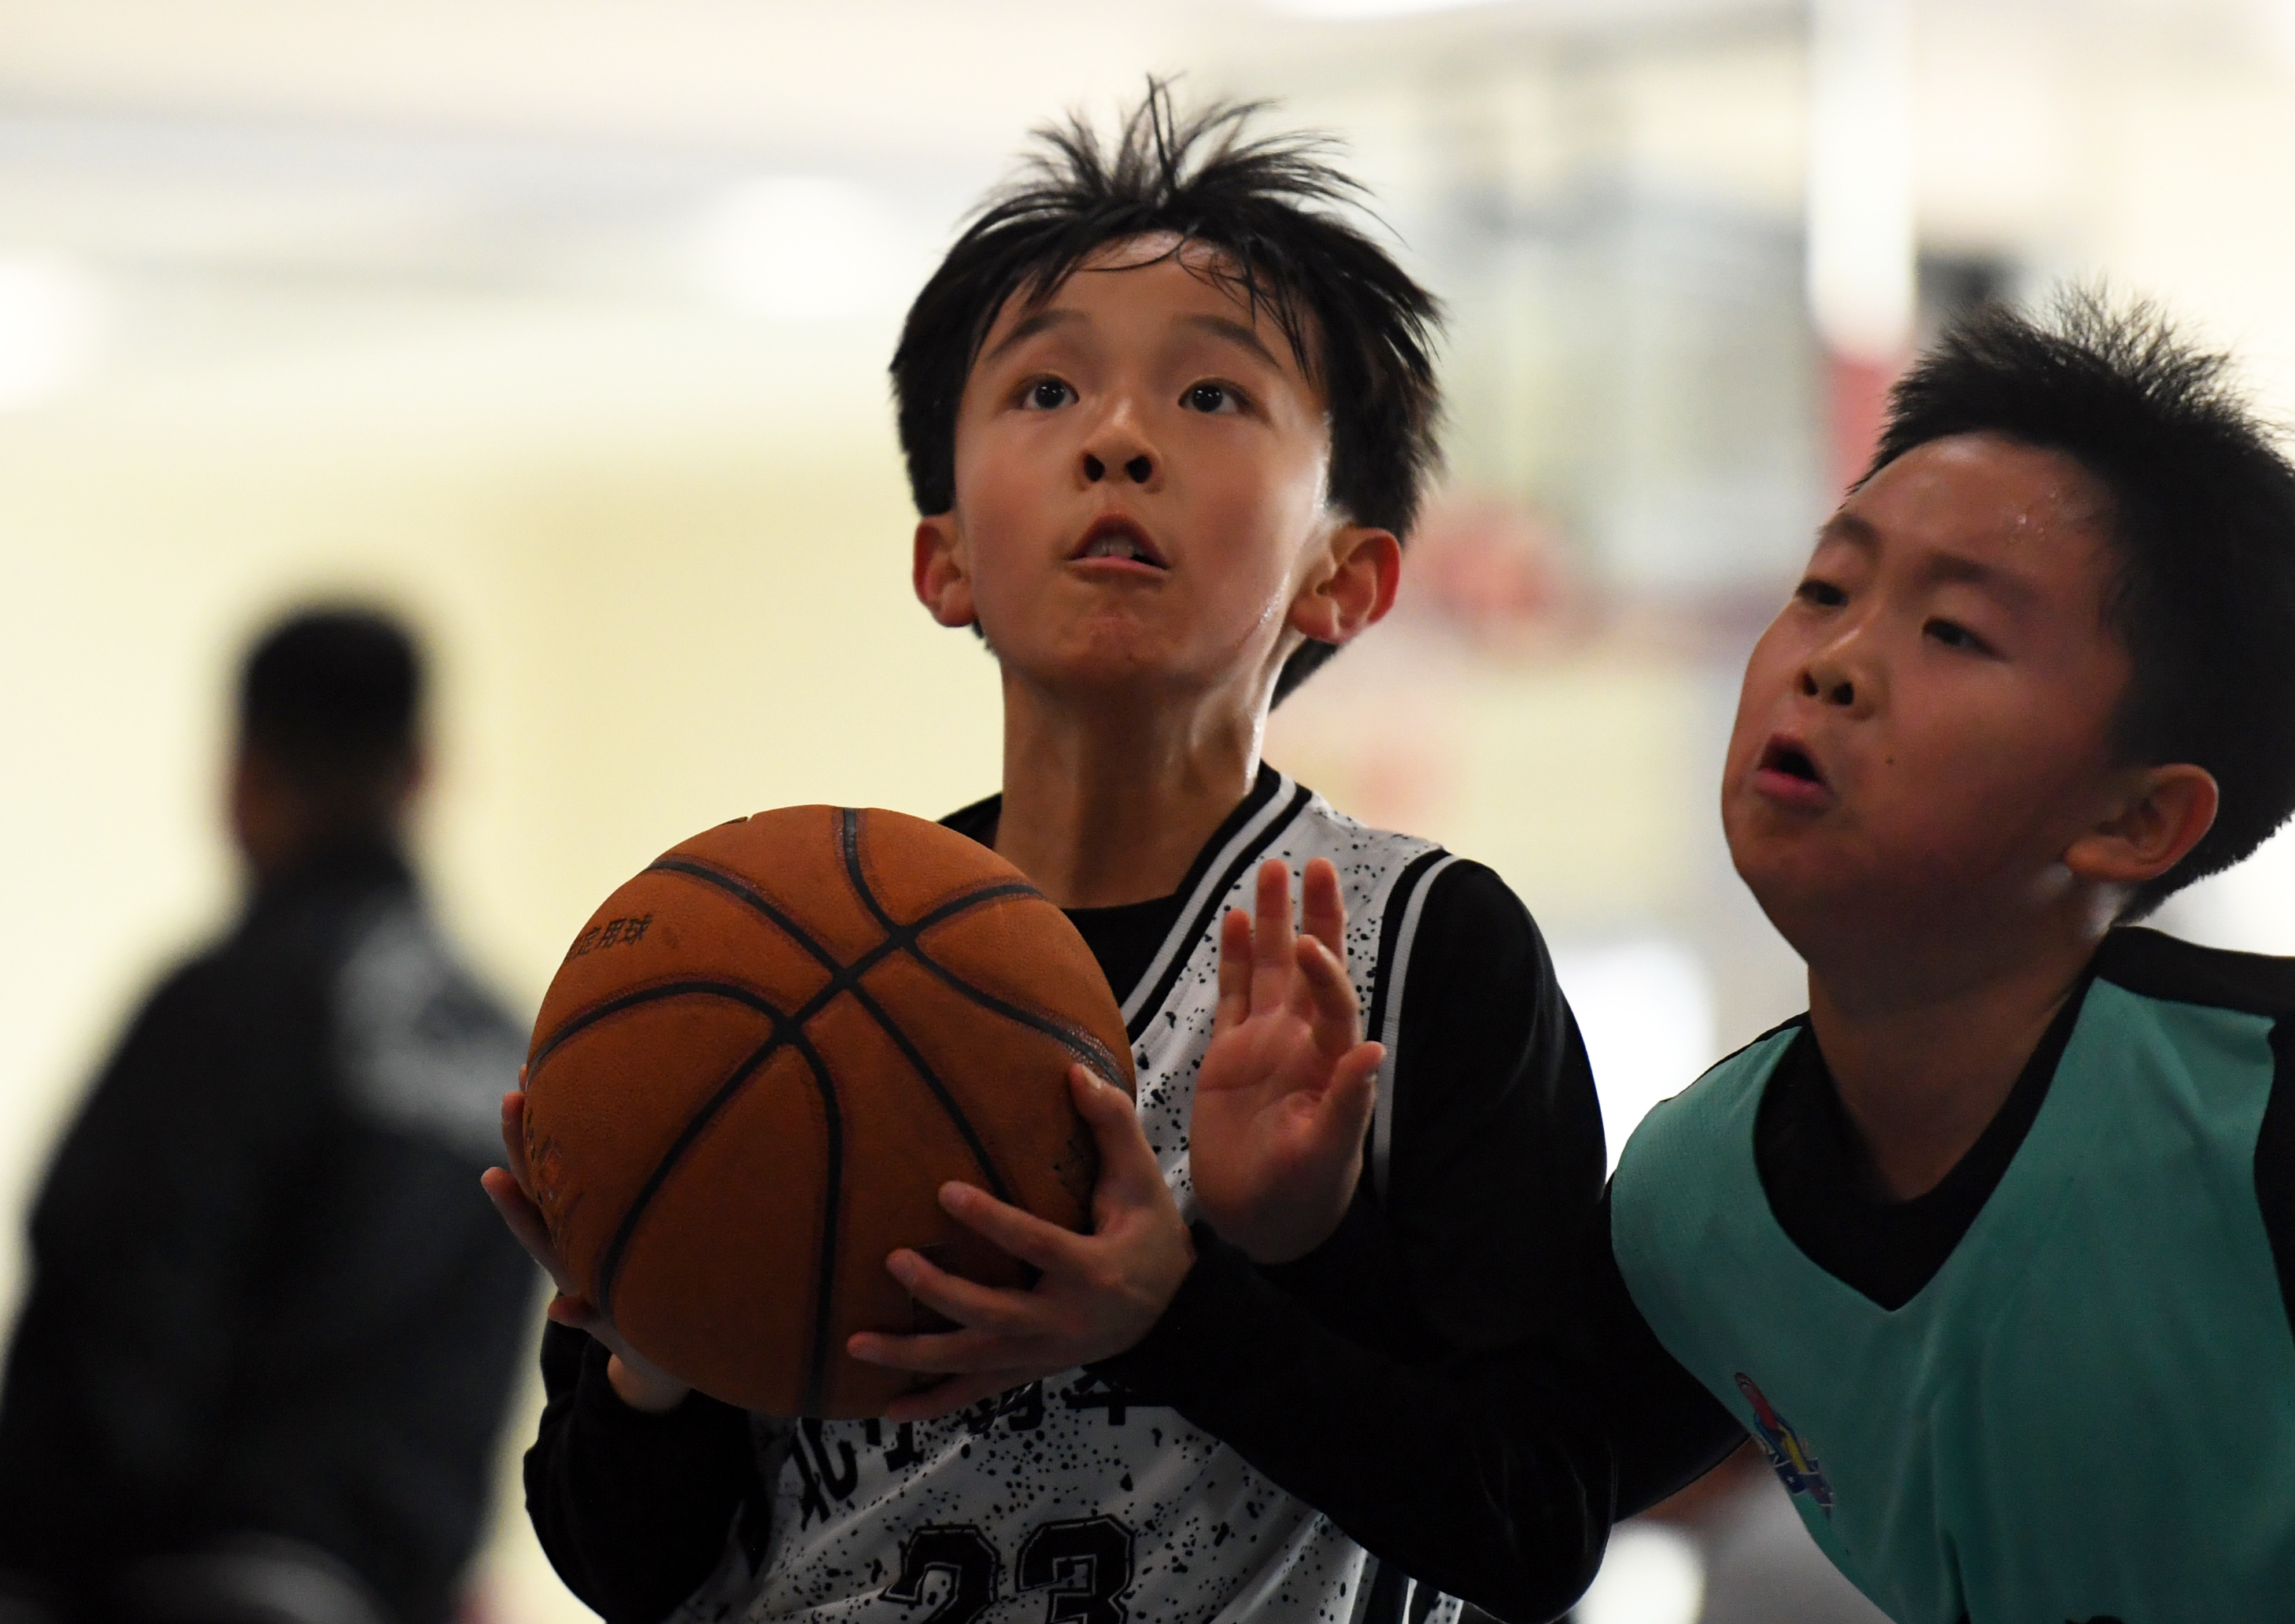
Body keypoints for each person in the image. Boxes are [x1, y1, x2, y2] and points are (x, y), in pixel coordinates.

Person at [852, 293, 2295, 1623]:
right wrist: (1299, 1240)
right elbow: (1511, 1499)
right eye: (1826, 590)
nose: (1833, 661)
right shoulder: (1702, 1202)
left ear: (2139, 816)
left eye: (1955, 629)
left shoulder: (2250, 1119)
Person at [487, 86, 1607, 1624]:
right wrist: (655, 1345)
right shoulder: (746, 965)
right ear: (945, 553)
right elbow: (627, 1571)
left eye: (1213, 397)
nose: (1122, 441)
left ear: (1346, 576)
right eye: (1045, 394)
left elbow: (1535, 1524)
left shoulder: (1423, 947)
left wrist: (1199, 1306)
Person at [0, 608, 541, 1624]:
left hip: (181, 1591)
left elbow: (103, 1321)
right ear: (423, 772)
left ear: (239, 778)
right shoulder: (511, 1048)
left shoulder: (225, 1005)